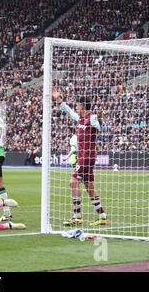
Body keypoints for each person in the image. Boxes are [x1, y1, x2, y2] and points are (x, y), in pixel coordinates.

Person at [52, 88, 108, 226]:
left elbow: (103, 128)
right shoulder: (81, 119)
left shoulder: (92, 118)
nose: (76, 107)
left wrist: (101, 120)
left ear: (82, 106)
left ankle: (77, 215)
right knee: (89, 187)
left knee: (73, 182)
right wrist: (58, 99)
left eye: (78, 105)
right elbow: (69, 111)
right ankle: (102, 215)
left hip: (86, 157)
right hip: (86, 157)